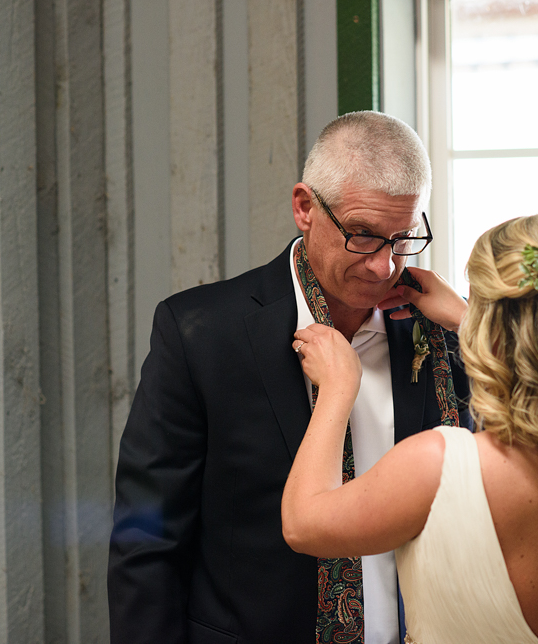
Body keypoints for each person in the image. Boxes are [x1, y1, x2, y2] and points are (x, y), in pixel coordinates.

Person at [108, 111, 472, 644]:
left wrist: (475, 324)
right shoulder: (200, 332)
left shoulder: (442, 333)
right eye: (364, 236)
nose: (383, 266)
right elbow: (147, 535)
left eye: (403, 238)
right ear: (305, 207)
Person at [282, 207, 538, 644]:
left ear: (494, 330)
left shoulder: (441, 465)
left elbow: (302, 524)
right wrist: (469, 318)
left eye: (476, 304)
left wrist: (337, 388)